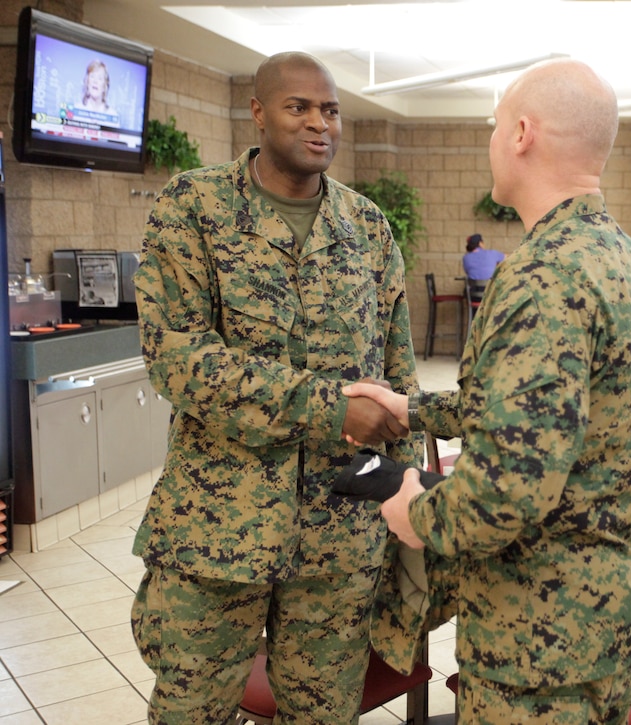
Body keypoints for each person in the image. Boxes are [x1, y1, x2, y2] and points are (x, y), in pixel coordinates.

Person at [345, 58, 631, 724]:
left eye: (493, 127)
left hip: (540, 635)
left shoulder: (543, 275)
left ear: (521, 132)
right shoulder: (619, 253)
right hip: (606, 611)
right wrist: (411, 407)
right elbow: (541, 412)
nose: (490, 142)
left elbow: (503, 496)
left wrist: (414, 510)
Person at [130, 51, 419, 724]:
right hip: (219, 527)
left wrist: (407, 495)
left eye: (331, 110)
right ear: (257, 113)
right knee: (190, 710)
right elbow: (177, 359)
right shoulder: (192, 209)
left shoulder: (368, 229)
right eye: (299, 108)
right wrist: (327, 408)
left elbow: (399, 380)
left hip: (340, 535)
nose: (320, 123)